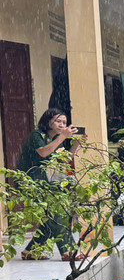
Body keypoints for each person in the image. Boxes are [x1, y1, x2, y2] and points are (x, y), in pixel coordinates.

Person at [16, 108, 79, 260]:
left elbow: (64, 159)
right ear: (48, 121)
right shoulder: (37, 136)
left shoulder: (55, 140)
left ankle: (30, 251)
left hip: (42, 180)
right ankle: (68, 250)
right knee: (55, 212)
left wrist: (77, 143)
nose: (62, 125)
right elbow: (43, 152)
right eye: (58, 121)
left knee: (58, 210)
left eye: (64, 122)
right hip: (28, 179)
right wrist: (62, 137)